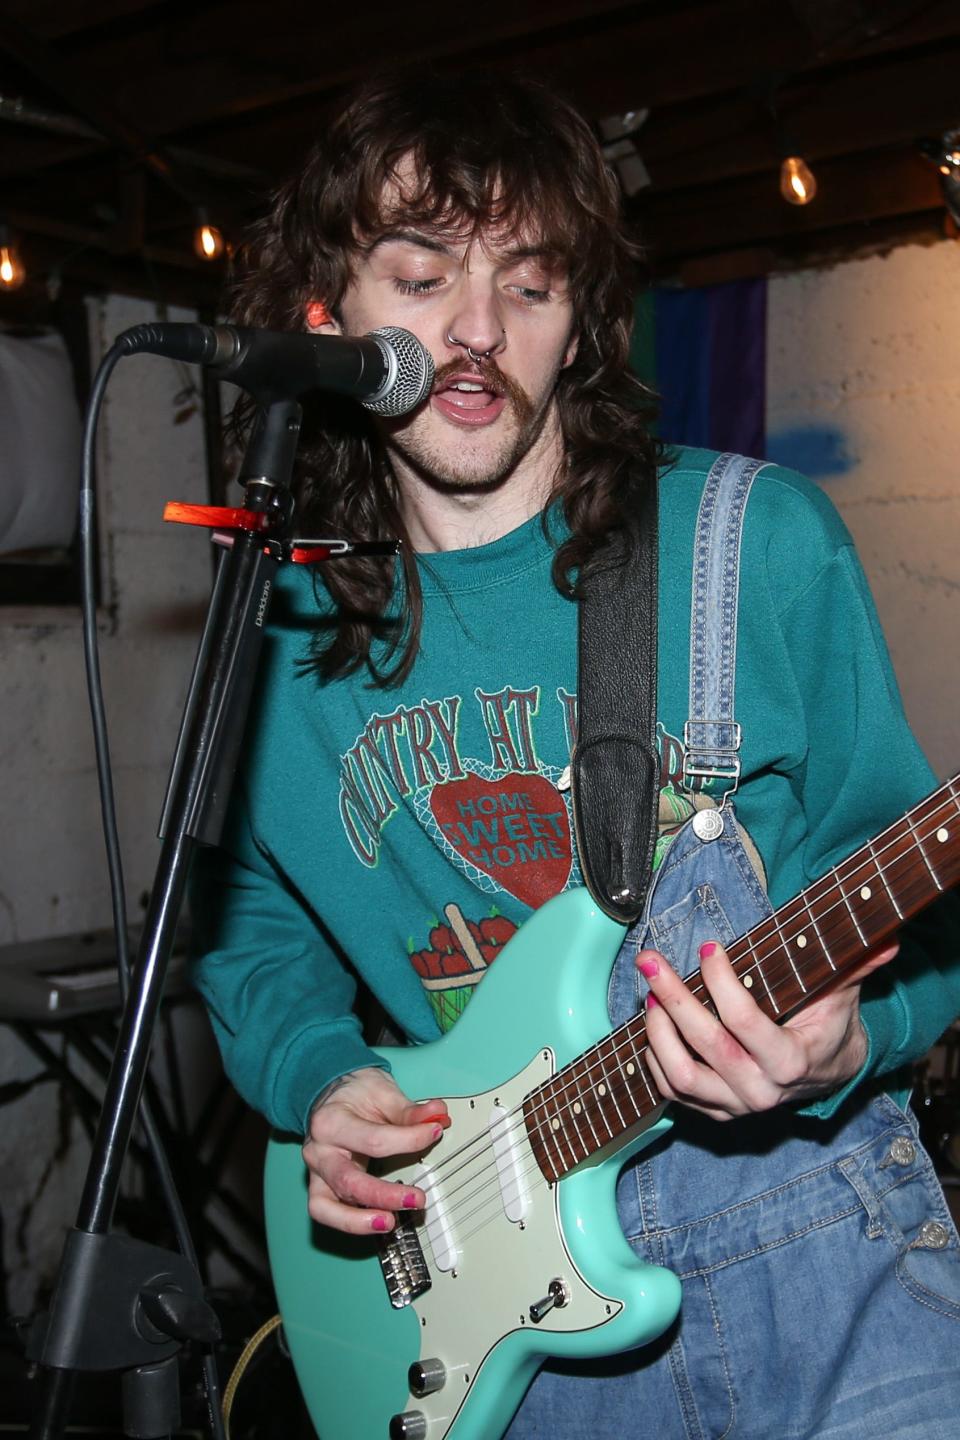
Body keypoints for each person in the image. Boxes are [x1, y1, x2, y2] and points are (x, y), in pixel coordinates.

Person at [191, 67, 960, 1438]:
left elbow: (926, 905)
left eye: (530, 286)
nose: (477, 332)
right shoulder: (283, 629)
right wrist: (320, 1077)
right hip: (507, 1324)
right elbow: (248, 926)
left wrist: (851, 1038)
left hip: (817, 1251)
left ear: (579, 321)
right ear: (332, 312)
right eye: (422, 277)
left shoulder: (755, 545)